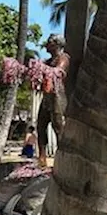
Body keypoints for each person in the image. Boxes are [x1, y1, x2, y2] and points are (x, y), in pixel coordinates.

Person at [35, 34, 70, 168]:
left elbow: (58, 71)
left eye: (49, 42)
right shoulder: (48, 61)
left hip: (57, 97)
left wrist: (43, 69)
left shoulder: (63, 58)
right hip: (47, 97)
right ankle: (42, 158)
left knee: (58, 127)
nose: (46, 45)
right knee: (41, 126)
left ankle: (62, 160)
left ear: (56, 44)